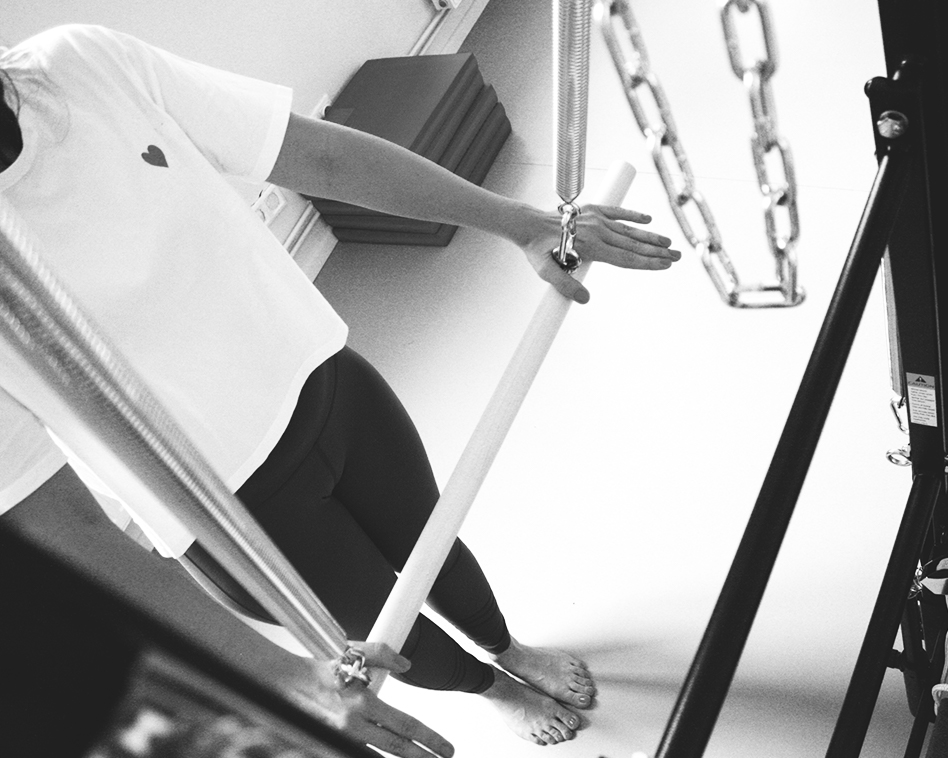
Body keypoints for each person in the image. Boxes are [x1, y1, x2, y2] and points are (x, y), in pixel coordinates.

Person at [0, 22, 681, 755]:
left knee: (437, 551)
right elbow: (53, 524)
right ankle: (492, 689)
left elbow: (317, 152)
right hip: (233, 513)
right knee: (382, 628)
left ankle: (507, 647)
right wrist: (276, 677)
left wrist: (523, 225)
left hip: (324, 378)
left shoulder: (82, 64)